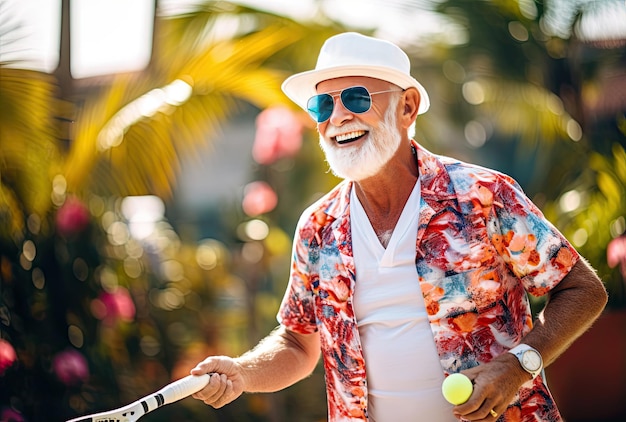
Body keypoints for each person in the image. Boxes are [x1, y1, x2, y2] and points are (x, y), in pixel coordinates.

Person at [190, 32, 608, 421]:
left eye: (355, 98)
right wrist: (242, 372)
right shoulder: (317, 228)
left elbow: (583, 290)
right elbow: (298, 343)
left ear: (406, 107)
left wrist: (518, 365)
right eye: (322, 105)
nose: (337, 117)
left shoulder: (482, 195)